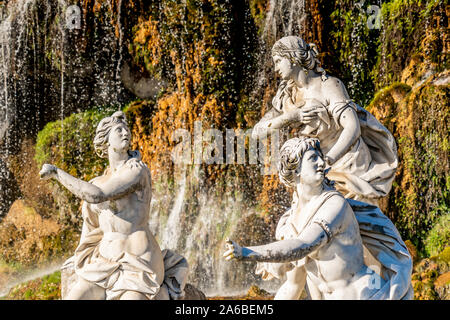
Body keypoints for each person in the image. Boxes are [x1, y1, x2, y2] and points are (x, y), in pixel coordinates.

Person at [224, 137, 413, 300]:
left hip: (366, 294)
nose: (322, 163)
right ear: (295, 168)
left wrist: (247, 252)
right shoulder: (289, 222)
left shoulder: (334, 204)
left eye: (320, 158)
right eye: (313, 159)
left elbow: (304, 245)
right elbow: (293, 286)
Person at [40, 111, 188, 300]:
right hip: (103, 263)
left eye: (127, 130)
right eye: (119, 130)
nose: (125, 134)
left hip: (139, 262)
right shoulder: (96, 181)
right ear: (106, 140)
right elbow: (92, 228)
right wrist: (80, 257)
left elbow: (98, 196)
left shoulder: (137, 170)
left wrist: (57, 173)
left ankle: (162, 293)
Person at [252, 36, 398, 205]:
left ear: (293, 58)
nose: (275, 68)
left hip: (347, 163)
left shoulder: (329, 85)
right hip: (316, 169)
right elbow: (257, 132)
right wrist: (292, 116)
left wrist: (328, 160)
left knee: (349, 222)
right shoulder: (286, 96)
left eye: (278, 61)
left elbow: (352, 127)